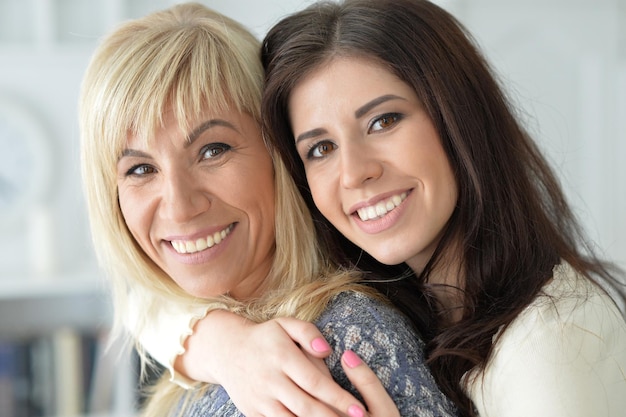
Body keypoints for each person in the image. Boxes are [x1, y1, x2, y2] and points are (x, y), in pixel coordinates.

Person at [134, 1, 626, 416]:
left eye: (383, 121)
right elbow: (142, 305)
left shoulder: (554, 342)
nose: (355, 173)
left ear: (457, 116)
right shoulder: (410, 301)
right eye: (320, 149)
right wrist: (224, 344)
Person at [78, 2, 459, 417]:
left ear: (279, 153)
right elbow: (142, 306)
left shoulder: (346, 339)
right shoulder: (195, 332)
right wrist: (223, 345)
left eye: (213, 150)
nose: (180, 207)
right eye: (140, 168)